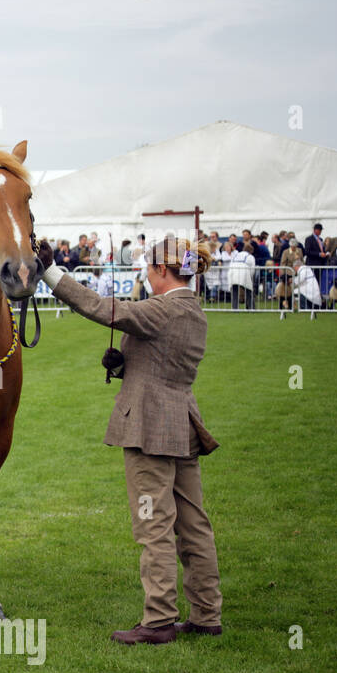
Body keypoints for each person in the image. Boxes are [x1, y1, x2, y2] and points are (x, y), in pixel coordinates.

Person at [41, 238, 223, 645]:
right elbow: (164, 361)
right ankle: (207, 614)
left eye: (148, 267)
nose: (144, 273)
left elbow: (103, 309)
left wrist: (50, 274)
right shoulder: (192, 309)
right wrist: (126, 365)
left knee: (154, 525)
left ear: (162, 270)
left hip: (149, 428)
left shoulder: (163, 308)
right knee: (194, 524)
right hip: (181, 423)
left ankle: (158, 620)